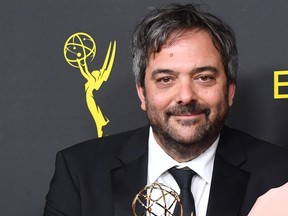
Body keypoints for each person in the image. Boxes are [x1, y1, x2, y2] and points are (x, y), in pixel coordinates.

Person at [44, 3, 288, 216]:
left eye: (203, 77)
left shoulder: (279, 174)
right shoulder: (79, 172)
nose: (185, 96)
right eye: (165, 79)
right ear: (142, 93)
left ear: (230, 91)